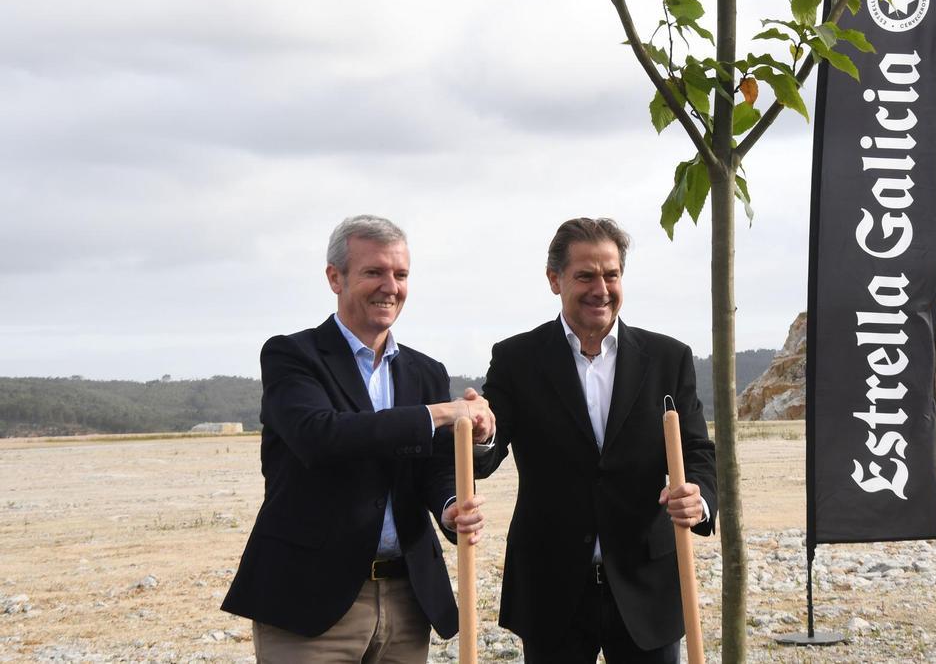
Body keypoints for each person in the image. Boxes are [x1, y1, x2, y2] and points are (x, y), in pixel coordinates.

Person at [221, 215, 494, 663]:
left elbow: (432, 468)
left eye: (401, 274)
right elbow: (322, 437)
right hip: (309, 602)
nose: (391, 286)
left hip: (407, 599)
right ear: (335, 277)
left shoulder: (425, 371)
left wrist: (449, 506)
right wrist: (441, 413)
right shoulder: (292, 356)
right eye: (374, 272)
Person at [476, 217, 717, 663]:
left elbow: (698, 451)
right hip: (552, 586)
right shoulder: (516, 360)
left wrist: (698, 499)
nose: (600, 289)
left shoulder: (668, 358)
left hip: (648, 582)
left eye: (611, 274)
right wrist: (478, 433)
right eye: (585, 275)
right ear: (555, 280)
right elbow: (484, 456)